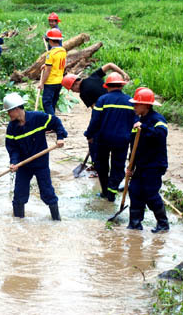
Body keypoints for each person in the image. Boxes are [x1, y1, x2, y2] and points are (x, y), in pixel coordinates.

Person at [3, 93, 67, 221]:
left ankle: (56, 220)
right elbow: (13, 148)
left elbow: (56, 122)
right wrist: (13, 163)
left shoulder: (38, 118)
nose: (8, 114)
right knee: (19, 195)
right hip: (23, 165)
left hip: (40, 163)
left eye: (9, 111)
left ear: (16, 109)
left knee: (47, 192)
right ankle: (18, 224)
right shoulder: (11, 128)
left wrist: (60, 138)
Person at [61, 63, 130, 177]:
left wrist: (92, 132)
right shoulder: (93, 77)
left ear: (75, 83)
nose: (73, 91)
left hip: (106, 115)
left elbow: (96, 111)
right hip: (118, 110)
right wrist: (123, 73)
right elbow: (109, 65)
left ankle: (97, 167)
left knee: (93, 140)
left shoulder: (84, 93)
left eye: (71, 89)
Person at [84, 72, 136, 202]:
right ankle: (112, 191)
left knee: (101, 165)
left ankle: (105, 191)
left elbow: (95, 120)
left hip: (103, 139)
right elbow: (135, 124)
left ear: (107, 86)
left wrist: (89, 134)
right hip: (122, 140)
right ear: (121, 86)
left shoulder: (102, 100)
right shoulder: (130, 101)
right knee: (118, 166)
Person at [126, 87, 169, 233]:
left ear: (145, 105)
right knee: (135, 191)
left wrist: (144, 128)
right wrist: (130, 165)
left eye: (137, 104)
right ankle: (135, 224)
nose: (134, 107)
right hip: (141, 164)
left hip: (154, 164)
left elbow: (161, 135)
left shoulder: (157, 120)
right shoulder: (139, 120)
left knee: (150, 194)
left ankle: (163, 225)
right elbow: (134, 145)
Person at [38, 28, 66, 115]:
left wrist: (42, 82)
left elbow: (48, 71)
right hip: (60, 82)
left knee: (46, 103)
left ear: (50, 40)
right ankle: (53, 122)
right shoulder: (63, 51)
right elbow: (56, 64)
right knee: (53, 103)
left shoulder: (51, 54)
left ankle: (52, 122)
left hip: (51, 83)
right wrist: (46, 65)